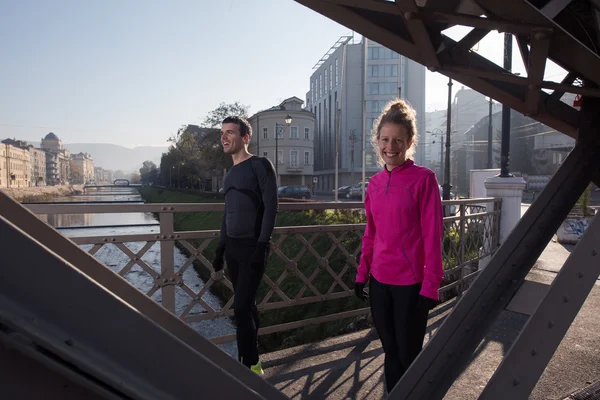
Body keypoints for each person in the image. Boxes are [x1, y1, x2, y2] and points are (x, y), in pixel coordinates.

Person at [354, 99, 444, 394]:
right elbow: (372, 233)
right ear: (377, 141)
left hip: (411, 285)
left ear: (410, 142)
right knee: (391, 354)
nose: (390, 146)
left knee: (409, 358)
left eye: (398, 140)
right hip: (380, 283)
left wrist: (431, 285)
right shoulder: (374, 184)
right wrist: (361, 272)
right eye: (385, 139)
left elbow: (433, 235)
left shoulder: (424, 179)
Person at [212, 116, 278, 376]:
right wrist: (219, 250)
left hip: (253, 247)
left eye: (230, 132)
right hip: (233, 249)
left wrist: (262, 246)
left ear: (245, 138)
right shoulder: (229, 175)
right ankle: (252, 357)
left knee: (240, 308)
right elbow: (226, 214)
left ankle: (250, 368)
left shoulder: (260, 165)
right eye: (222, 134)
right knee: (247, 306)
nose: (224, 137)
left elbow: (272, 206)